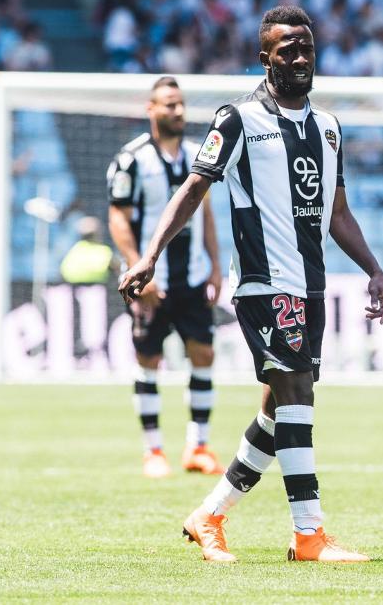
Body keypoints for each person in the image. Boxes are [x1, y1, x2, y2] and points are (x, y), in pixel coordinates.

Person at [119, 6, 383, 562]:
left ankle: (209, 515)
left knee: (278, 410)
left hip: (310, 287)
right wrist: (150, 255)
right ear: (264, 58)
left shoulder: (329, 129)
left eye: (305, 47)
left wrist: (373, 269)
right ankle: (308, 534)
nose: (298, 57)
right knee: (297, 395)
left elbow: (338, 212)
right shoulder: (238, 121)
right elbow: (195, 189)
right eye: (286, 48)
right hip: (265, 285)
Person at [108, 75, 224, 479]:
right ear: (151, 109)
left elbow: (204, 212)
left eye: (180, 104)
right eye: (168, 104)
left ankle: (199, 446)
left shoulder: (198, 154)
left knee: (204, 354)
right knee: (148, 359)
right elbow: (118, 218)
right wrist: (140, 266)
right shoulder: (131, 158)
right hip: (150, 282)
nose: (177, 110)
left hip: (192, 277)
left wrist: (214, 264)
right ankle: (153, 450)